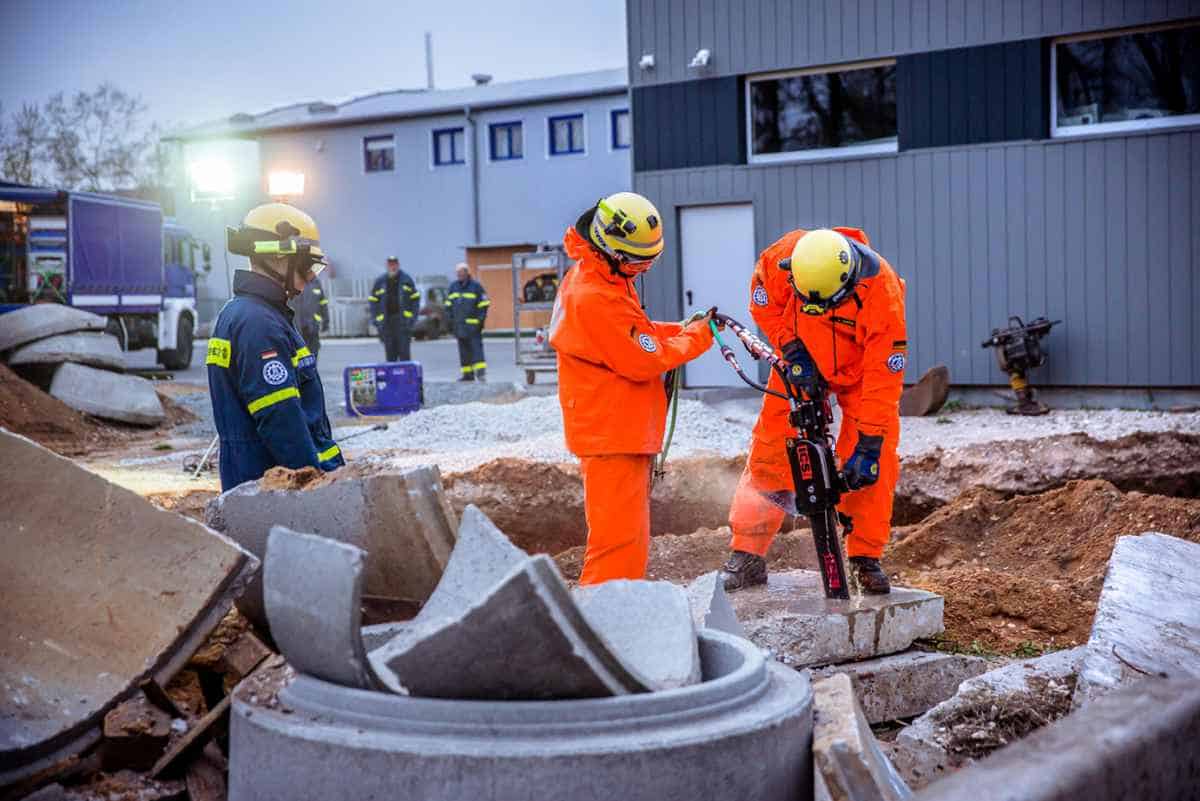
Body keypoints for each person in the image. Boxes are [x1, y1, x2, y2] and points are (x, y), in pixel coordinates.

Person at [721, 227, 907, 594]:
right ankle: (747, 553)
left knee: (874, 458)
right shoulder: (782, 259)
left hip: (860, 375)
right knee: (773, 448)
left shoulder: (883, 294)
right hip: (802, 361)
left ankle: (864, 558)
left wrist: (868, 443)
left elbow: (883, 376)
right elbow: (763, 303)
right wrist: (792, 349)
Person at [550, 192, 715, 585]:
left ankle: (616, 613)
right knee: (617, 544)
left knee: (627, 538)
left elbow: (631, 331)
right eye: (638, 261)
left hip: (615, 427)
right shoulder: (595, 294)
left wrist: (681, 329)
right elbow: (644, 359)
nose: (642, 269)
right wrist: (698, 338)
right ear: (609, 248)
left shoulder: (600, 276)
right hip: (611, 432)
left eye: (650, 261)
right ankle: (605, 621)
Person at [206, 203, 344, 491]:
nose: (310, 278)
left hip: (257, 482)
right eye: (307, 266)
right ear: (279, 258)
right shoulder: (260, 323)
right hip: (275, 490)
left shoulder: (251, 313)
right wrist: (314, 483)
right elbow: (282, 420)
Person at [445, 263, 490, 381]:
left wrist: (479, 322)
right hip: (459, 326)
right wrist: (451, 322)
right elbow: (448, 306)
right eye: (458, 273)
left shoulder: (476, 287)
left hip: (473, 327)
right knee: (463, 352)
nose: (459, 275)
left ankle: (481, 374)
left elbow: (484, 305)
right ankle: (467, 375)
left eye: (462, 272)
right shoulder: (453, 287)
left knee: (476, 350)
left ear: (467, 273)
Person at [370, 256, 420, 361]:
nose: (392, 266)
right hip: (387, 324)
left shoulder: (406, 279)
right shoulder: (380, 282)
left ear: (398, 265)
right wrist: (377, 320)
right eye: (390, 264)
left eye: (394, 264)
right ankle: (392, 377)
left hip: (403, 323)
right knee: (390, 354)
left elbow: (415, 300)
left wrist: (412, 319)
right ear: (387, 266)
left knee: (404, 353)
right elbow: (373, 302)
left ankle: (406, 377)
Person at [292, 278, 329, 361]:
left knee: (313, 351)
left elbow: (323, 302)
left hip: (312, 326)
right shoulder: (291, 280)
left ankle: (312, 370)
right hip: (297, 326)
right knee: (297, 352)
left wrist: (326, 321)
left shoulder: (315, 282)